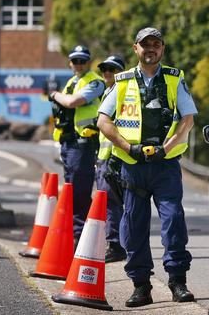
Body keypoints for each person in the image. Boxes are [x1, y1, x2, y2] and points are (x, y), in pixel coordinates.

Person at [97, 27, 197, 307]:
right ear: (135, 49)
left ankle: (178, 282)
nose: (151, 49)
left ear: (162, 49)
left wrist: (166, 148)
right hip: (133, 166)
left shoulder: (175, 80)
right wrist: (128, 148)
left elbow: (188, 119)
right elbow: (103, 121)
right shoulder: (123, 81)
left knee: (174, 219)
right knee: (134, 226)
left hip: (165, 166)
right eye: (145, 45)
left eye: (156, 44)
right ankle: (141, 286)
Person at [49, 45, 105, 245]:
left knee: (80, 192)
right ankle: (76, 235)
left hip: (83, 144)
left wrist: (54, 95)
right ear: (70, 62)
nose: (79, 64)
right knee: (71, 191)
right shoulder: (72, 81)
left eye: (83, 61)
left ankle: (79, 238)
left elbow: (73, 102)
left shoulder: (95, 82)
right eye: (75, 61)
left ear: (89, 62)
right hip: (68, 142)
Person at [94, 55, 127, 263]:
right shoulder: (108, 92)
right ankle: (116, 243)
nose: (107, 72)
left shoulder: (120, 93)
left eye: (112, 69)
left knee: (112, 202)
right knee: (109, 202)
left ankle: (115, 245)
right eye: (105, 69)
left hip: (114, 157)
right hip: (104, 157)